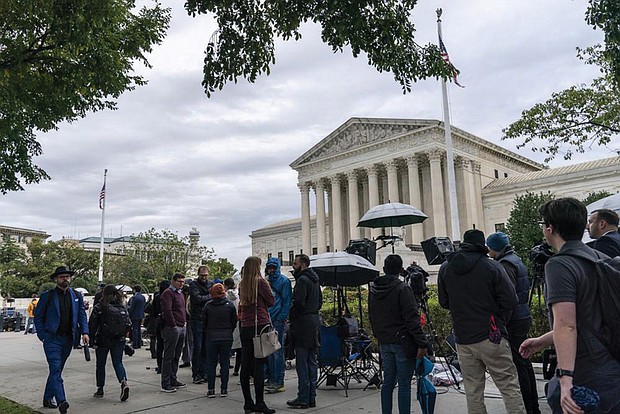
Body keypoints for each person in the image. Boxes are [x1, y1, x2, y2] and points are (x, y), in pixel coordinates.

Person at [520, 198, 620, 413]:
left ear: (550, 229)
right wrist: (543, 340)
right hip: (611, 367)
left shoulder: (559, 264)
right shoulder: (599, 258)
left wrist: (566, 380)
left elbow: (567, 325)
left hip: (586, 374)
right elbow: (589, 315)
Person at [438, 229, 525, 414]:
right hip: (492, 335)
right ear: (482, 246)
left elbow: (444, 302)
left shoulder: (446, 268)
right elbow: (511, 300)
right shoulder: (492, 267)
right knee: (509, 387)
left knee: (473, 391)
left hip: (463, 337)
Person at [487, 232, 540, 414]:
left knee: (519, 366)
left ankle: (528, 406)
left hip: (514, 320)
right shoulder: (515, 259)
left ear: (495, 248)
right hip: (522, 316)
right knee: (524, 363)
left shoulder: (505, 265)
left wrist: (502, 323)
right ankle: (533, 406)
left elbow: (507, 298)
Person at [368, 254, 427, 414]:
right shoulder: (403, 288)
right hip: (402, 341)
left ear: (384, 269)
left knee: (388, 382)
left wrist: (378, 334)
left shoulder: (373, 289)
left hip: (385, 341)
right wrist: (422, 343)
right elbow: (412, 319)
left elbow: (371, 315)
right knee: (404, 384)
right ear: (401, 270)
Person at [33, 266, 90, 413]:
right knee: (56, 369)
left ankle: (47, 398)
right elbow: (38, 316)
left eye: (67, 276)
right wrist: (42, 335)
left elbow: (82, 315)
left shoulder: (76, 295)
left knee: (56, 371)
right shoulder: (48, 296)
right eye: (61, 277)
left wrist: (85, 331)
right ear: (56, 279)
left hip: (68, 339)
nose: (65, 279)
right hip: (52, 339)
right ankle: (62, 401)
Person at [238, 256, 276, 414]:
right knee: (259, 364)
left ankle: (248, 403)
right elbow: (271, 301)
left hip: (245, 325)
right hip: (260, 325)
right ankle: (260, 402)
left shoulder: (242, 284)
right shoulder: (260, 282)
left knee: (245, 365)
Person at [287, 254, 322, 410]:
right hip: (313, 322)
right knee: (311, 362)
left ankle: (303, 398)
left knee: (302, 362)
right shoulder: (315, 280)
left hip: (303, 323)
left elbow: (298, 303)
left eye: (295, 263)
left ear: (302, 265)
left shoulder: (302, 280)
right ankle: (311, 397)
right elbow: (319, 301)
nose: (293, 266)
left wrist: (292, 315)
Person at [88, 284, 131, 401]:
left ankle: (100, 388)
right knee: (118, 362)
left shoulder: (100, 306)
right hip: (119, 339)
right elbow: (128, 323)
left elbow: (92, 324)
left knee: (100, 364)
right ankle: (123, 381)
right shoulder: (122, 306)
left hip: (103, 339)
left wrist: (92, 340)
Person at [202, 282, 238, 398]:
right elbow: (234, 321)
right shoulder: (230, 306)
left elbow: (204, 322)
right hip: (226, 336)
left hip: (212, 337)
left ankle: (211, 389)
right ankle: (224, 389)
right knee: (225, 363)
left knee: (211, 363)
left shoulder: (208, 306)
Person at [265, 257, 293, 394]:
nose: (271, 270)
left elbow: (287, 301)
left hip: (277, 321)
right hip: (268, 320)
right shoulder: (267, 280)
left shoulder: (283, 281)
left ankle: (278, 381)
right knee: (270, 351)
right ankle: (272, 378)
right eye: (269, 267)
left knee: (277, 351)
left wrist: (281, 317)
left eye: (273, 268)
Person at [159, 273, 188, 393]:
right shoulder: (168, 293)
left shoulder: (180, 293)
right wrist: (173, 325)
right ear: (173, 281)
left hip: (182, 326)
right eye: (179, 281)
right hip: (172, 328)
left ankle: (173, 378)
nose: (181, 284)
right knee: (169, 355)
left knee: (176, 355)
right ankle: (166, 382)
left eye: (183, 282)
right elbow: (167, 310)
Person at [188, 266, 213, 384]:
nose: (204, 277)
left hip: (208, 319)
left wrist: (207, 297)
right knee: (198, 347)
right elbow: (196, 299)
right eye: (202, 275)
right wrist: (210, 296)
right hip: (197, 318)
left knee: (206, 347)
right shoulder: (193, 285)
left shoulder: (210, 284)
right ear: (198, 274)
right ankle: (196, 373)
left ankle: (204, 372)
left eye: (205, 275)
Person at [224, 277, 242, 376]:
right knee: (240, 349)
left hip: (228, 324)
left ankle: (224, 369)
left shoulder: (225, 296)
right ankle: (236, 369)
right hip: (238, 322)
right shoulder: (238, 295)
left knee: (226, 349)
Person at [153, 280, 170, 372]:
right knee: (169, 346)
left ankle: (160, 365)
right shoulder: (170, 296)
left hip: (160, 322)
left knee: (160, 345)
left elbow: (153, 311)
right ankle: (167, 366)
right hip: (168, 322)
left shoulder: (157, 297)